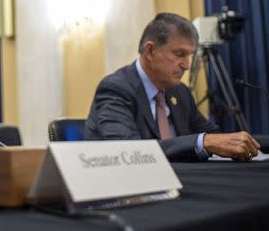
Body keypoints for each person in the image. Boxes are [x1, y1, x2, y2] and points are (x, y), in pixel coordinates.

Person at [85, 13, 260, 161]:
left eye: (189, 55)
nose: (186, 65)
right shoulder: (116, 89)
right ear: (150, 51)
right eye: (179, 54)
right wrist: (202, 142)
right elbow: (130, 152)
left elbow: (214, 137)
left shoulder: (180, 92)